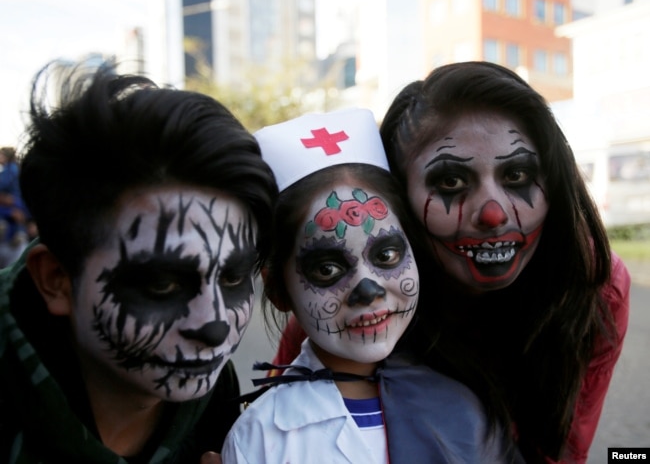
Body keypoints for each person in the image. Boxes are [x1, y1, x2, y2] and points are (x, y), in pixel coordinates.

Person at [272, 62, 630, 463]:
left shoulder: (593, 287)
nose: (494, 215)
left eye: (516, 174)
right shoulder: (346, 306)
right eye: (451, 182)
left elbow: (561, 451)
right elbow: (282, 429)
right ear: (398, 200)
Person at [0, 60, 278, 463]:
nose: (214, 328)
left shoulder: (215, 394)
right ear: (57, 279)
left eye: (233, 277)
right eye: (162, 284)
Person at [221, 108, 523, 463]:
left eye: (387, 254)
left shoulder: (466, 406)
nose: (369, 289)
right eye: (328, 268)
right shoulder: (261, 437)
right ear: (277, 289)